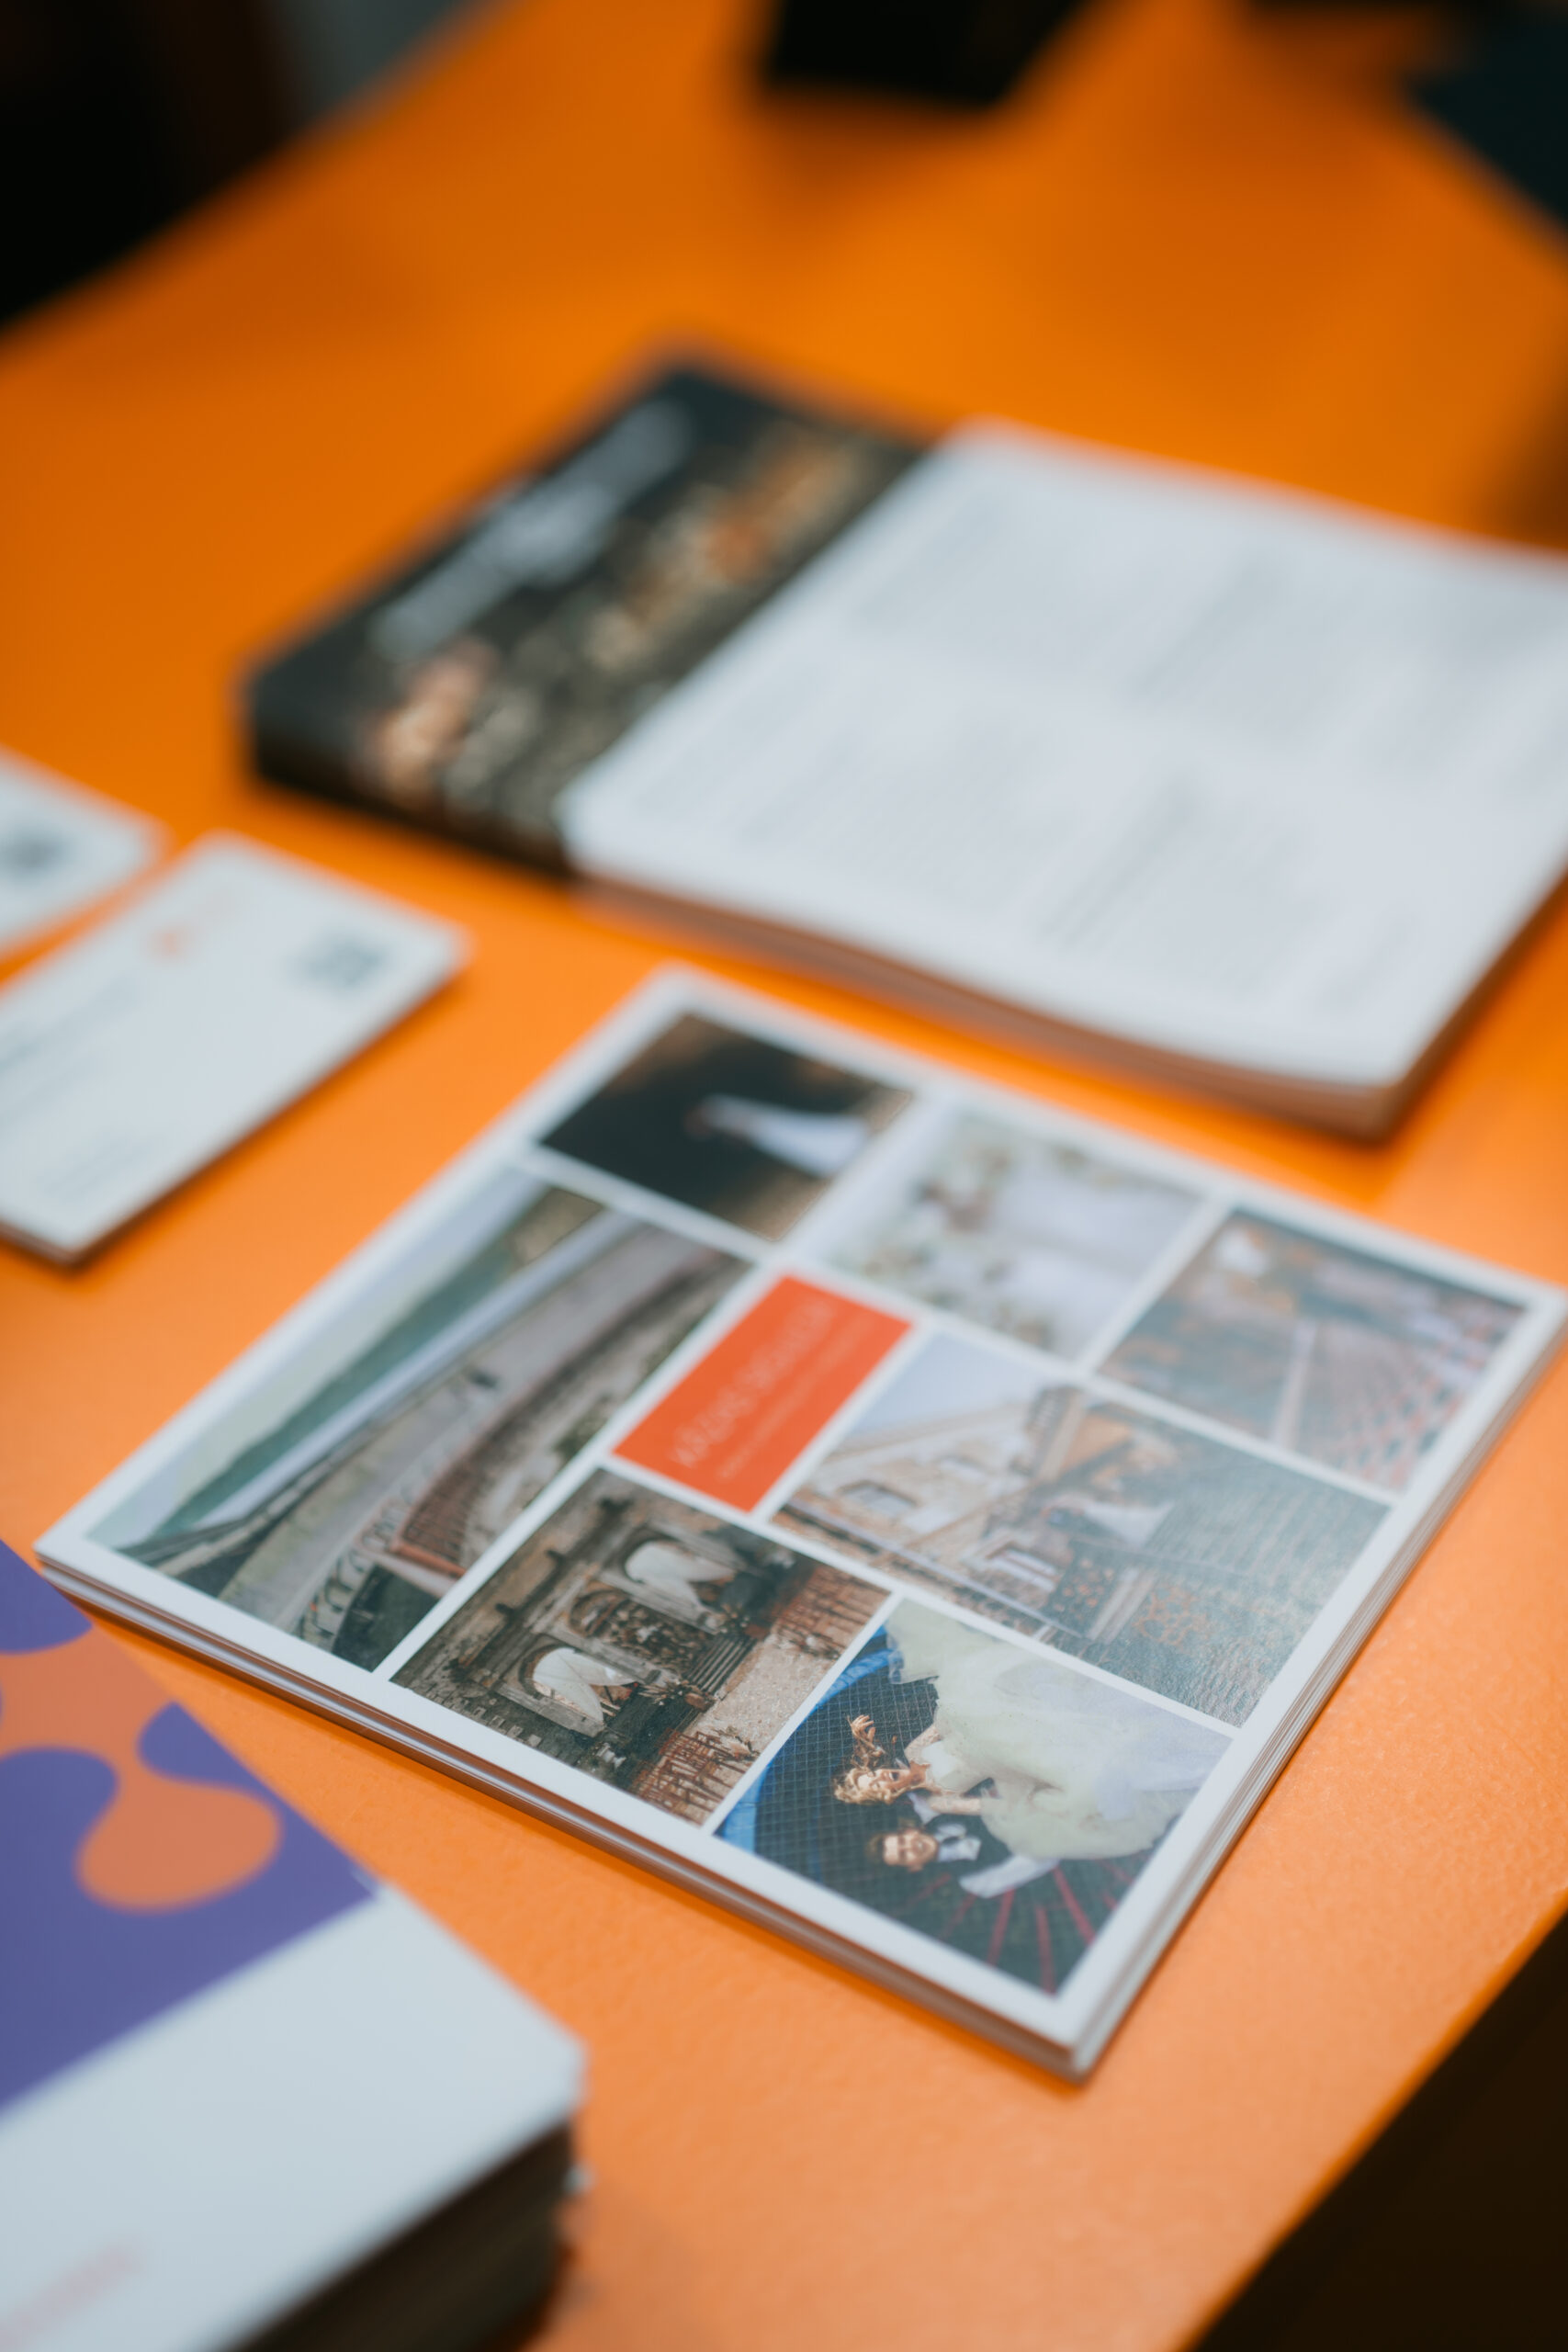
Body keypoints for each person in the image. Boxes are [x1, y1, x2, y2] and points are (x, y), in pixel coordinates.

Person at [831, 1606, 1227, 1866]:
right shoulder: (940, 1799)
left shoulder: (914, 1749)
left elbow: (943, 1721)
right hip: (1011, 1758)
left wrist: (961, 1710)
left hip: (990, 1725)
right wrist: (1030, 1800)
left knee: (970, 1681)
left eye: (874, 1775)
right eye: (877, 1788)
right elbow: (994, 1807)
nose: (883, 1779)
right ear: (887, 1797)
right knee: (1087, 1770)